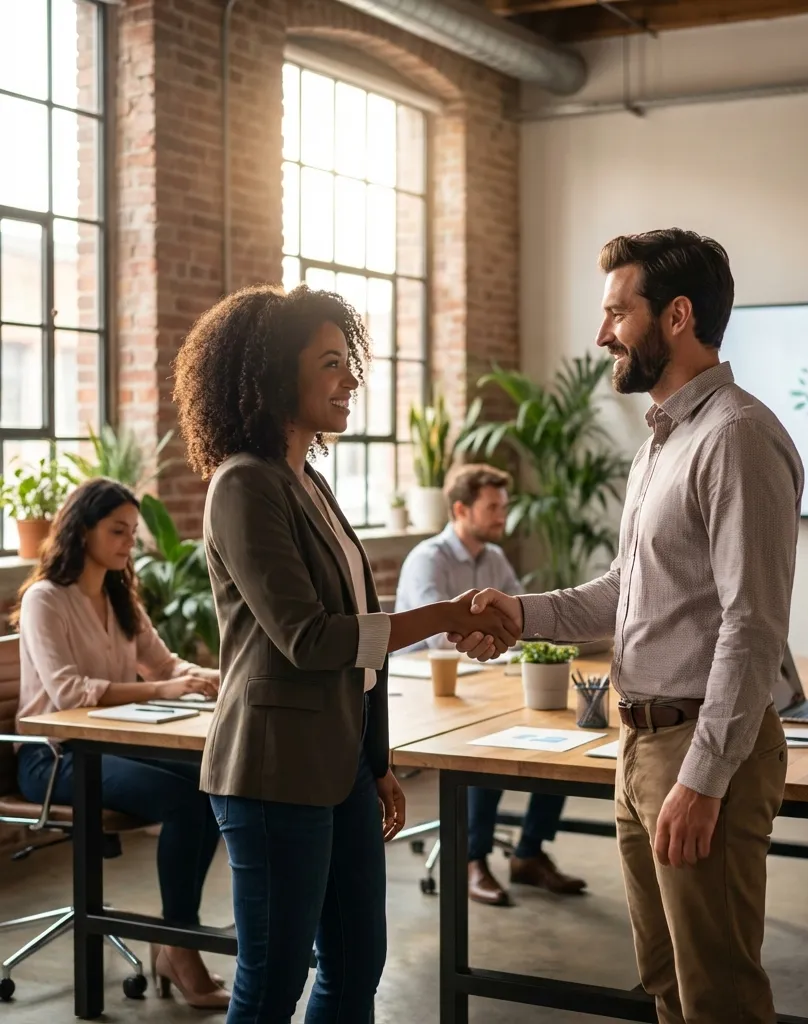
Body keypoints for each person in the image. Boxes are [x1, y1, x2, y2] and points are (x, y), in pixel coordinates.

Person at [452, 230, 804, 1024]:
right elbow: (625, 591)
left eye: (618, 312)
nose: (602, 334)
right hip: (640, 742)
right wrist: (519, 614)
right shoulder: (661, 445)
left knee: (719, 998)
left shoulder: (736, 437)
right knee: (666, 985)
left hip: (696, 750)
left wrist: (704, 779)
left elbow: (751, 627)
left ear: (676, 316)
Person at [171, 283, 518, 1024]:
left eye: (348, 361)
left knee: (357, 964)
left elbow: (360, 636)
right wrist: (443, 615)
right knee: (272, 984)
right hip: (272, 770)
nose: (351, 378)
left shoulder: (310, 484)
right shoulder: (242, 486)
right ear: (273, 375)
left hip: (342, 769)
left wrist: (378, 763)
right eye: (330, 362)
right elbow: (311, 637)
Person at [12, 478, 229, 1010]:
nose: (129, 542)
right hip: (53, 758)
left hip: (108, 748)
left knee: (208, 782)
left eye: (132, 531)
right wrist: (163, 687)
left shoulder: (117, 591)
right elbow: (67, 692)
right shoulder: (46, 599)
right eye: (117, 530)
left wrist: (209, 676)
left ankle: (176, 939)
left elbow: (165, 663)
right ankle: (180, 945)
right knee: (182, 799)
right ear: (81, 530)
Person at [395, 462, 586, 906]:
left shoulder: (495, 559)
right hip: (428, 691)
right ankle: (471, 858)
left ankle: (528, 853)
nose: (503, 515)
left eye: (504, 506)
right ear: (461, 509)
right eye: (493, 507)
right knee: (489, 747)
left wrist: (500, 626)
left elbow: (517, 620)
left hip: (483, 680)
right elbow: (437, 632)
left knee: (558, 730)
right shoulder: (429, 558)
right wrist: (489, 627)